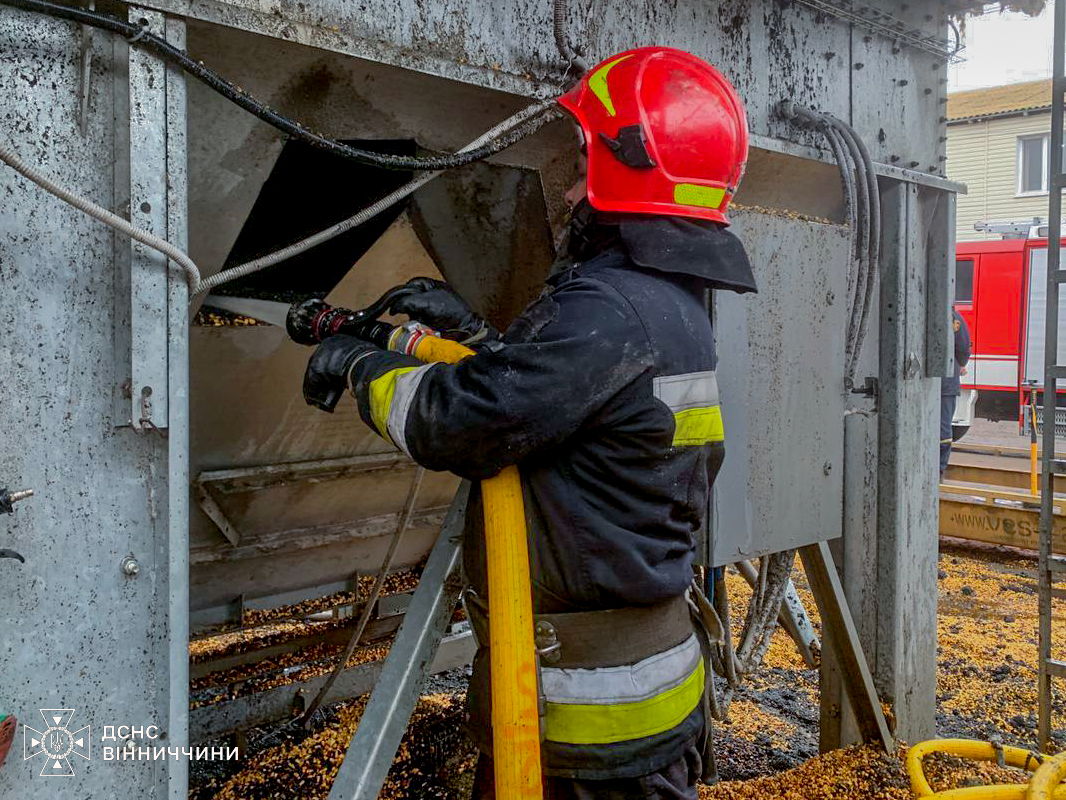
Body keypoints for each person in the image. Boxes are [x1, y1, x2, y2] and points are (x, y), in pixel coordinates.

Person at [301, 47, 756, 799]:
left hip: (587, 732)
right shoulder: (671, 307)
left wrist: (356, 365)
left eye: (582, 166)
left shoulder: (608, 310)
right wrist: (485, 343)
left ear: (623, 172)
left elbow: (459, 421)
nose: (572, 189)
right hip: (646, 701)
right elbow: (575, 414)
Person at [941, 308, 971, 477]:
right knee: (943, 427)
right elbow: (963, 348)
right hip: (946, 380)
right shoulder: (954, 317)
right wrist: (958, 365)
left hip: (915, 379)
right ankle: (939, 469)